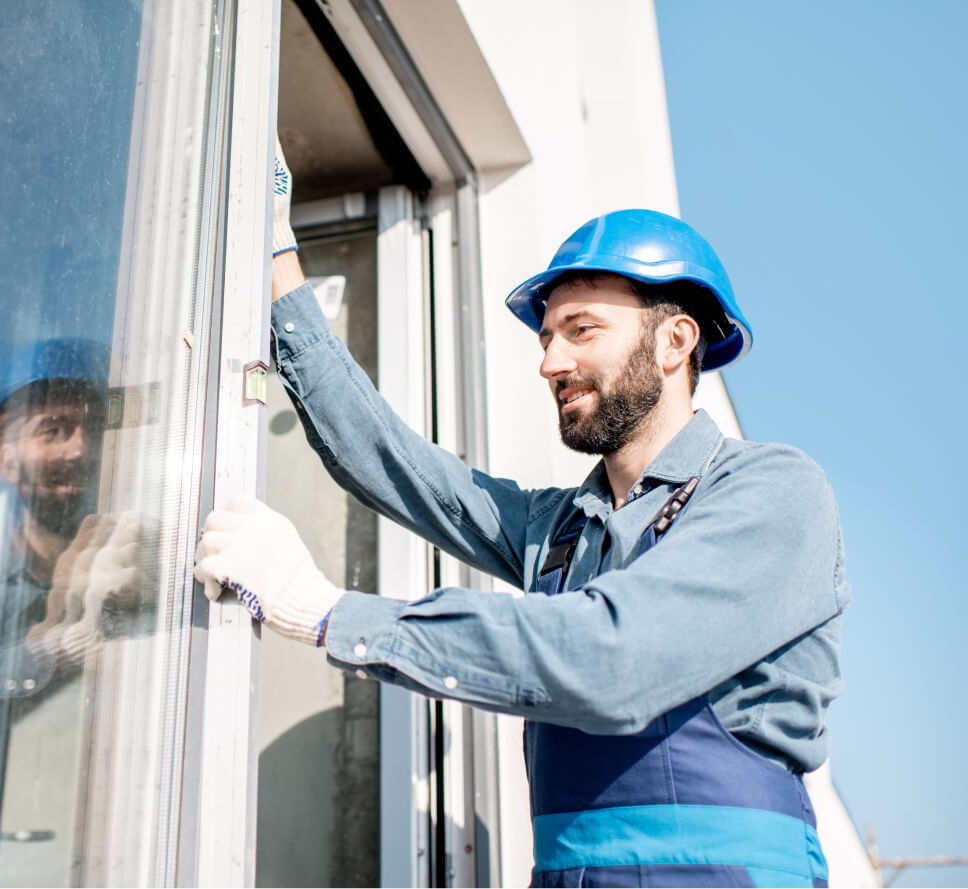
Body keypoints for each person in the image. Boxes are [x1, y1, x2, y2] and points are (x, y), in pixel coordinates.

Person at [195, 144, 848, 888]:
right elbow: (393, 463)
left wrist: (325, 611)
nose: (549, 362)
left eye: (581, 330)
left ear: (676, 341)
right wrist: (278, 258)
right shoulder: (562, 531)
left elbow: (614, 659)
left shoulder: (772, 493)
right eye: (546, 337)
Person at [0, 339, 147, 880]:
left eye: (94, 429)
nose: (80, 449)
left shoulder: (143, 577)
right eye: (52, 430)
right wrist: (52, 645)